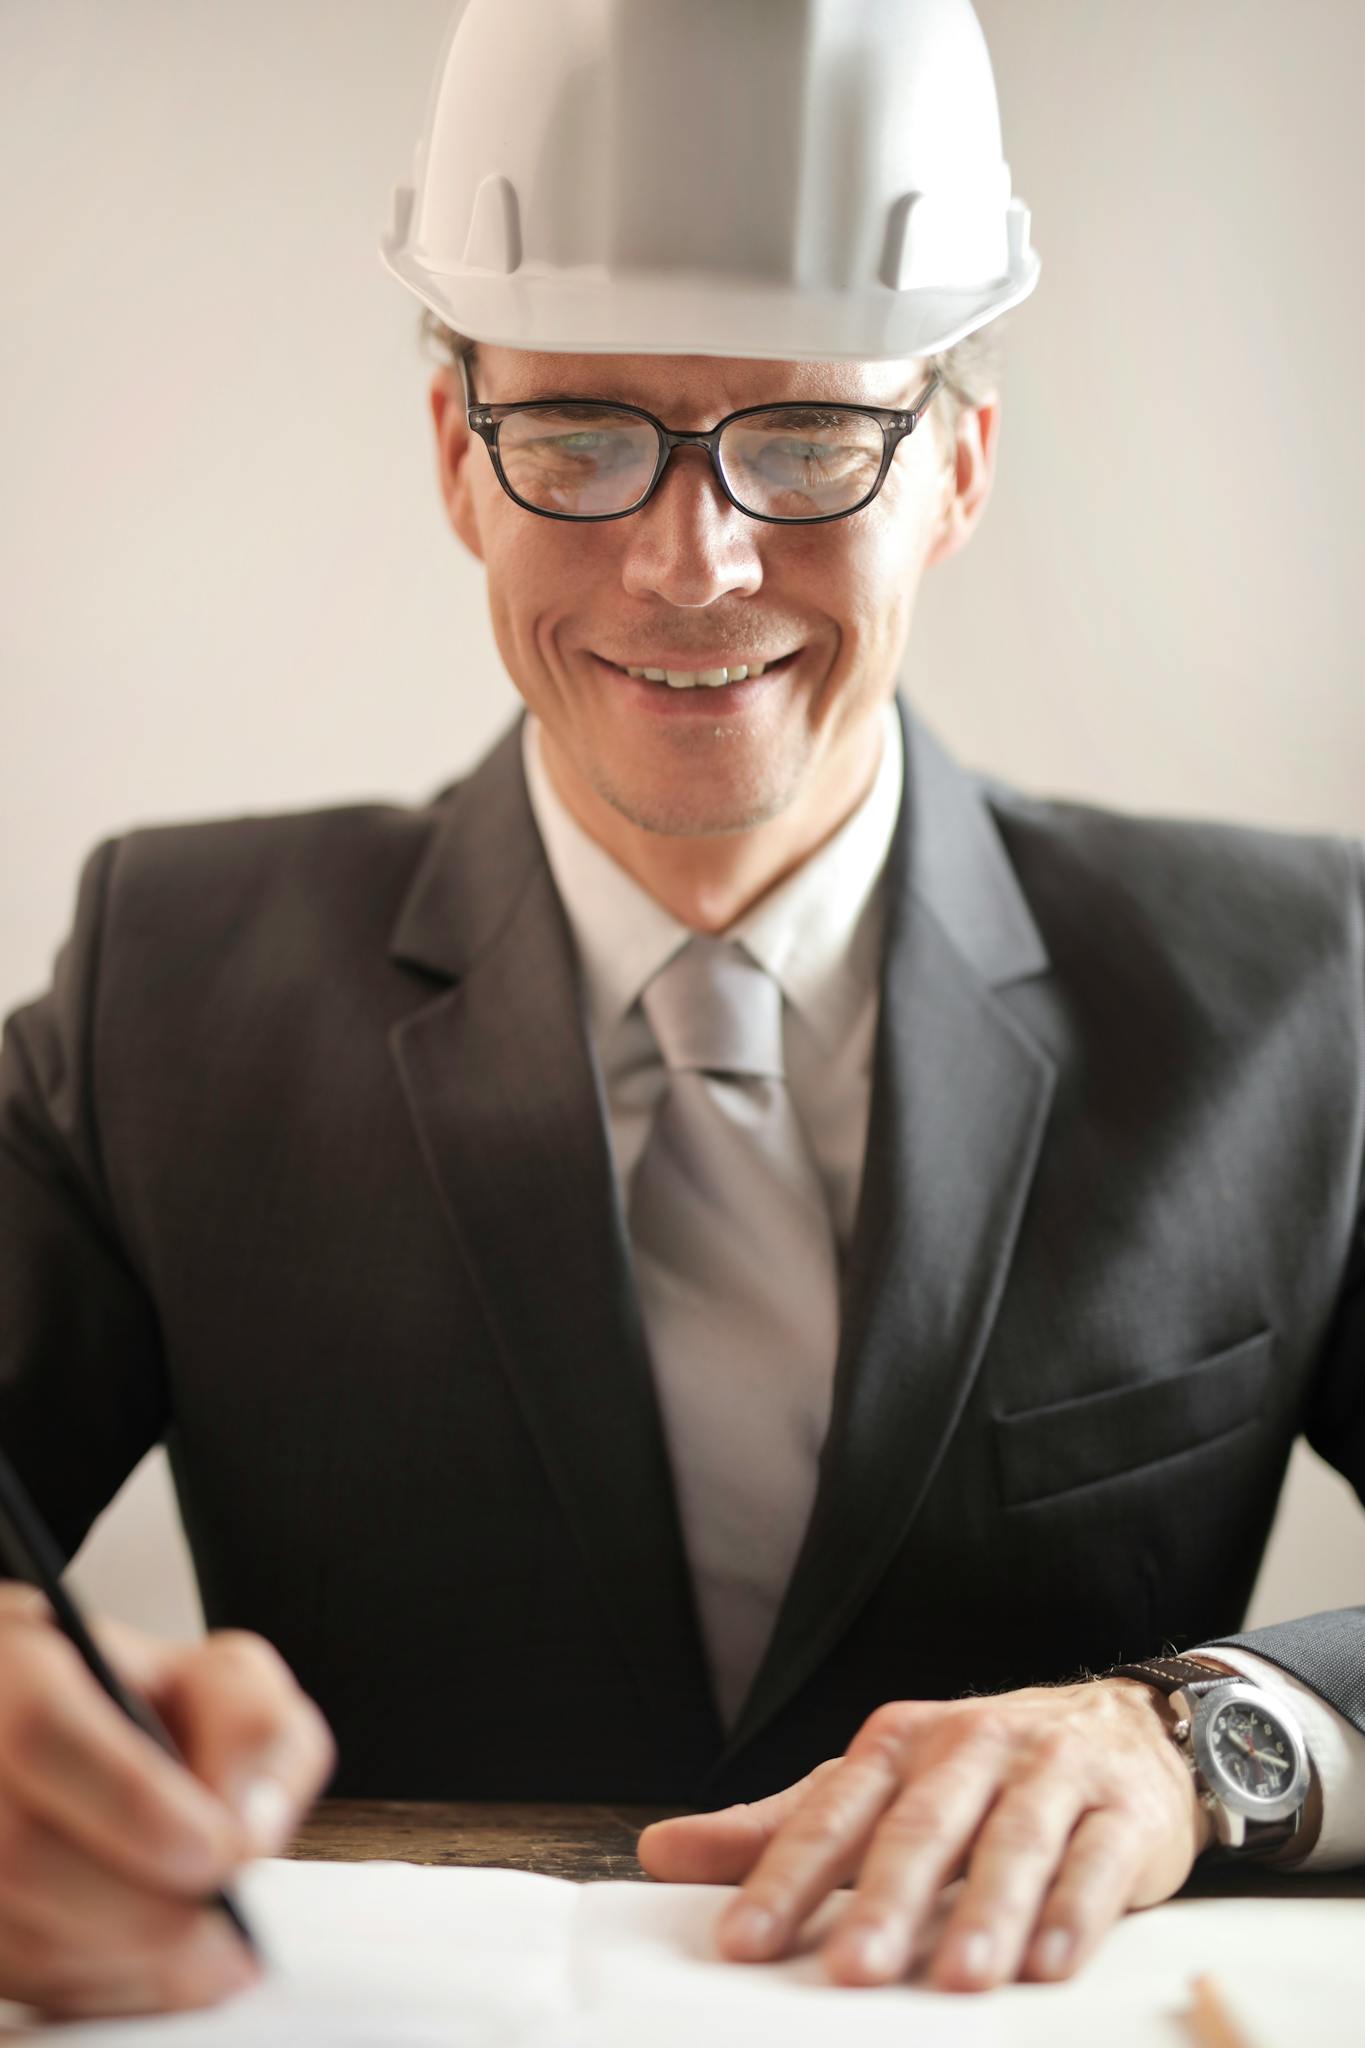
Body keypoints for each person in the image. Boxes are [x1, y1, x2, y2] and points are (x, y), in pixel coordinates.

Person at [1, 0, 1362, 2021]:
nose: (692, 560)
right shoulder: (170, 976)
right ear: (459, 457)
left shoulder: (1286, 990)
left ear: (957, 471)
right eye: (579, 431)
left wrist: (1203, 1739)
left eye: (808, 436)